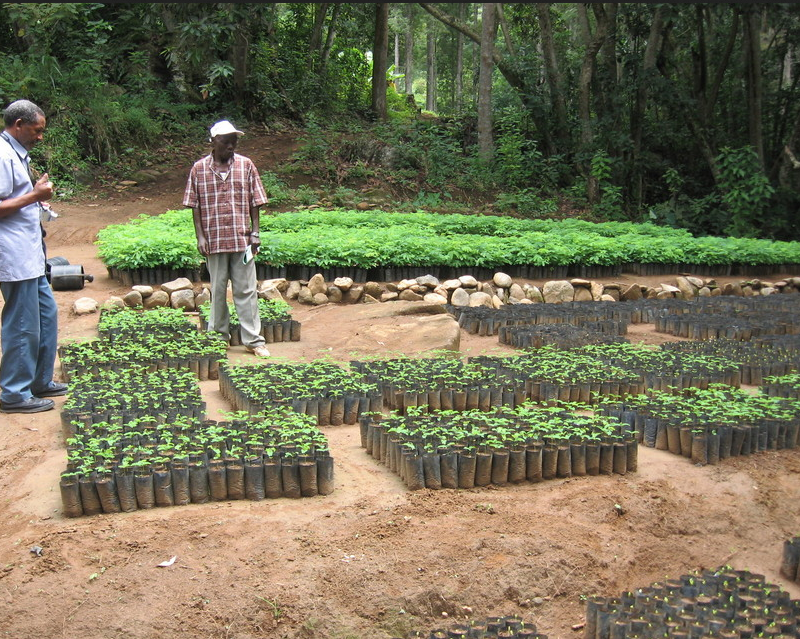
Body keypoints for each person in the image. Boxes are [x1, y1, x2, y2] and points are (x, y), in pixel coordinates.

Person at [0, 99, 67, 414]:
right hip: (14, 257)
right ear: (18, 126)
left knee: (45, 316)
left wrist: (34, 195)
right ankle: (13, 393)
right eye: (36, 130)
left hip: (31, 257)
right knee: (23, 324)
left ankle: (39, 381)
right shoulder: (2, 155)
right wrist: (35, 195)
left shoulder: (16, 153)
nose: (40, 136)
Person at [182, 119, 271, 357]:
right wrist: (200, 236)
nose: (232, 146)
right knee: (218, 289)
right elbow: (195, 206)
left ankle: (253, 340)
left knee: (246, 290)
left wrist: (255, 232)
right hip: (214, 240)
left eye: (235, 141)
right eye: (226, 141)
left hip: (242, 240)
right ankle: (218, 336)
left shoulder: (246, 165)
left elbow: (255, 201)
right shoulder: (199, 169)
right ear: (213, 141)